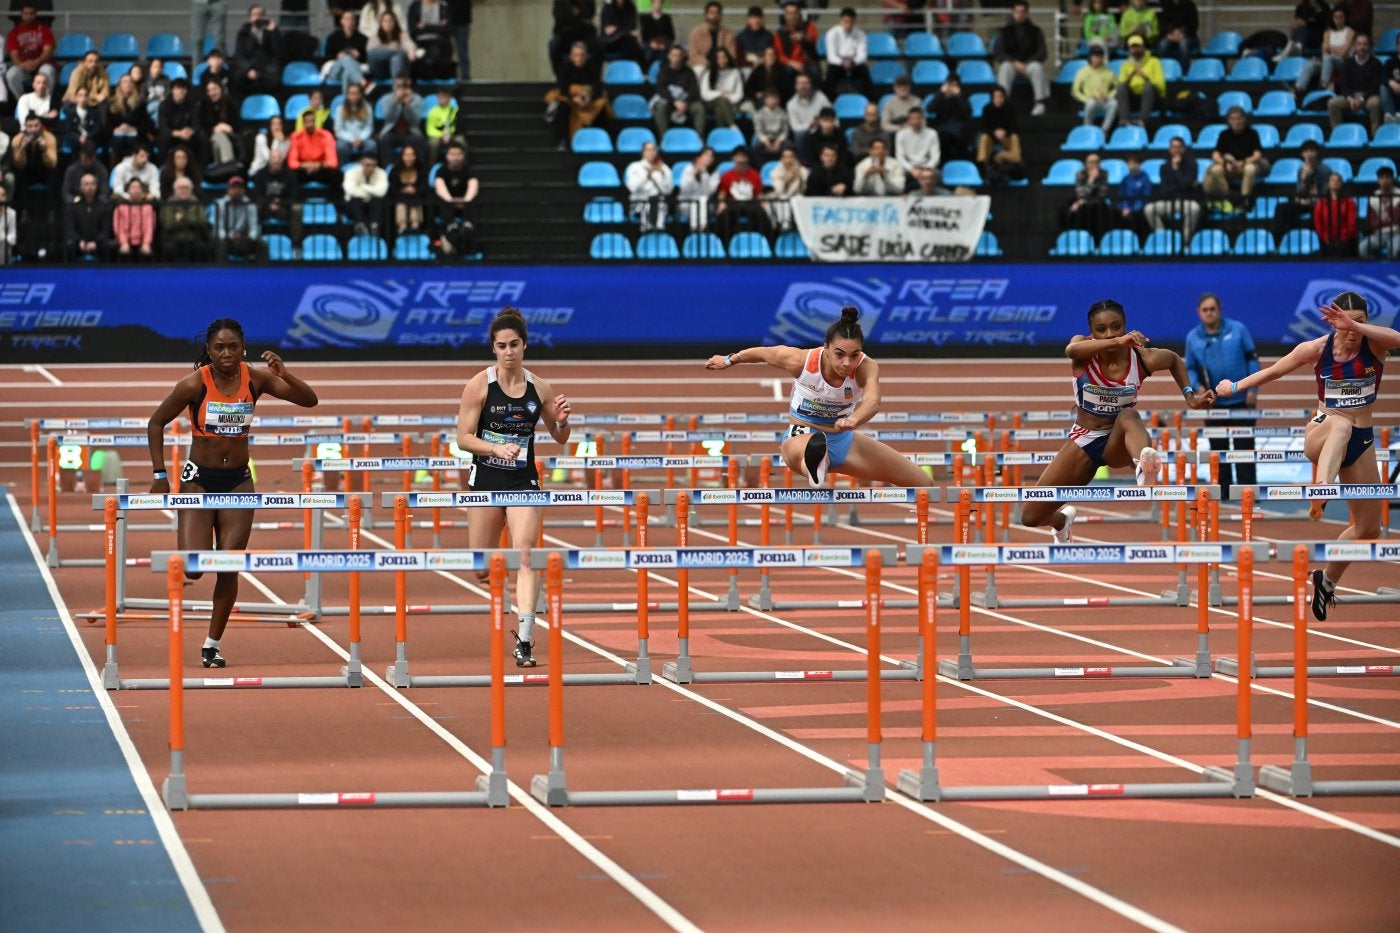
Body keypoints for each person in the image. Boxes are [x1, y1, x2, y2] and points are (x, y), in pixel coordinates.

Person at [1214, 293, 1399, 621]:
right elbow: (1274, 372)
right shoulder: (1316, 349)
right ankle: (1322, 487)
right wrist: (1235, 386)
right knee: (1340, 423)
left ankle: (1326, 580)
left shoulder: (1376, 345)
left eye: (1360, 321)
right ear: (1332, 321)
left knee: (1369, 529)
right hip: (1321, 432)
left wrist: (1355, 325)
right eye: (1345, 321)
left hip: (1362, 440)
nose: (1352, 330)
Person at [147, 318, 318, 668]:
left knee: (229, 565)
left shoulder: (255, 378)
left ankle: (212, 644)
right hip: (198, 480)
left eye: (233, 347)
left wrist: (284, 373)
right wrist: (159, 473)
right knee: (194, 568)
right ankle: (194, 538)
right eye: (219, 348)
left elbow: (310, 401)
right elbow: (155, 423)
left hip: (239, 480)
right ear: (208, 351)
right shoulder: (194, 383)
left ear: (243, 348)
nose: (227, 354)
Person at [1022, 299, 1214, 544]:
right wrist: (1117, 341)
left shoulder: (1142, 358)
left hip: (1119, 440)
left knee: (1129, 415)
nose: (1110, 333)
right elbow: (1071, 351)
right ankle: (1062, 521)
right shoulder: (1082, 349)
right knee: (1030, 516)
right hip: (1085, 438)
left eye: (1116, 327)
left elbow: (1174, 359)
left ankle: (1145, 466)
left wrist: (1190, 396)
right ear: (1091, 332)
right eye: (1101, 330)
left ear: (1126, 325)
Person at [454, 307, 572, 668]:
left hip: (523, 482)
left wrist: (564, 423)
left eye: (515, 345)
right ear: (493, 348)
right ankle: (504, 593)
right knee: (482, 567)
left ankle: (524, 638)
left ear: (524, 346)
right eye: (502, 346)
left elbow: (560, 438)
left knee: (525, 554)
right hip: (486, 481)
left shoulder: (540, 388)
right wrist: (494, 447)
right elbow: (462, 439)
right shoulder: (479, 385)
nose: (509, 352)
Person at [705, 306, 934, 490]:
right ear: (826, 348)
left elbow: (873, 400)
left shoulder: (866, 367)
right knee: (809, 452)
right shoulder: (801, 361)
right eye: (839, 354)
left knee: (924, 484)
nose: (847, 363)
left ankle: (819, 462)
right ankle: (814, 466)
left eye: (854, 355)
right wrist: (728, 360)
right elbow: (763, 353)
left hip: (843, 438)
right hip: (802, 434)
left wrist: (855, 420)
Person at [1184, 293, 1259, 500]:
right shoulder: (1193, 338)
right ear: (1199, 313)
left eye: (1212, 309)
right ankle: (1224, 492)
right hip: (1213, 403)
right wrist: (1197, 387)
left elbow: (1252, 359)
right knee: (1219, 450)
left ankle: (1249, 492)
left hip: (1242, 401)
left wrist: (1253, 390)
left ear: (1220, 310)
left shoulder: (1238, 329)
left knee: (1245, 449)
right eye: (1205, 310)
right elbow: (1189, 367)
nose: (1209, 313)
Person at [1202, 106, 1269, 210]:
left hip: (1247, 164)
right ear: (1228, 121)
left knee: (1250, 169)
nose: (1236, 122)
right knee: (1216, 170)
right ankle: (1229, 198)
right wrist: (1225, 164)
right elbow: (1215, 154)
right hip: (1231, 166)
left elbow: (1257, 155)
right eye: (1232, 119)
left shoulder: (1252, 133)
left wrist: (1243, 162)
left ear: (1244, 119)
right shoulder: (1224, 134)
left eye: (1238, 118)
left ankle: (1244, 200)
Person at [992, 1, 1050, 117]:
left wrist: (1028, 63)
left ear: (1027, 14)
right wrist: (1014, 62)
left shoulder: (1036, 31)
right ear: (1012, 13)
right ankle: (1003, 104)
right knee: (1005, 67)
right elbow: (999, 52)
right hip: (1012, 66)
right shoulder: (1004, 31)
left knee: (1037, 67)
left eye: (1023, 12)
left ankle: (1039, 103)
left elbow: (1043, 53)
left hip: (1029, 66)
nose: (1020, 15)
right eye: (1017, 12)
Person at [1143, 135, 1202, 243]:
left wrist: (1176, 168)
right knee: (1149, 209)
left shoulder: (1192, 165)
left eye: (1178, 147)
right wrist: (1181, 185)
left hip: (1186, 202)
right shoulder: (1164, 167)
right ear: (1169, 149)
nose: (1176, 150)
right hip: (1169, 202)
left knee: (1195, 209)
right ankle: (1163, 239)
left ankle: (1185, 242)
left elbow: (1185, 185)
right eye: (1173, 147)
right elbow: (1165, 189)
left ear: (1183, 149)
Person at [1326, 31, 1384, 134]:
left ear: (1369, 46)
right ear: (1355, 46)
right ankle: (1338, 134)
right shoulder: (1347, 64)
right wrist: (1351, 99)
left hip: (1369, 96)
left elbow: (1375, 87)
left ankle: (1376, 136)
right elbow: (1344, 85)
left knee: (1375, 103)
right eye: (1359, 44)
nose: (1362, 47)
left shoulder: (1376, 64)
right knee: (1332, 103)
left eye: (1365, 44)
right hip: (1351, 96)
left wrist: (1361, 99)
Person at [1272, 138, 1331, 238]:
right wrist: (1303, 179)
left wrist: (1311, 201)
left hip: (1319, 202)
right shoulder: (1301, 170)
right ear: (1302, 154)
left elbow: (1325, 192)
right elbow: (1300, 192)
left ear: (1317, 153)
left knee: (1317, 209)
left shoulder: (1324, 170)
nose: (1309, 154)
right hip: (1304, 202)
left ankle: (1315, 241)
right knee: (1282, 208)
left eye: (1312, 151)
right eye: (1306, 151)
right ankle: (1281, 240)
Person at [714, 145, 771, 242]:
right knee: (722, 216)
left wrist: (763, 204)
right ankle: (724, 243)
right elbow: (722, 193)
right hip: (732, 203)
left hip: (750, 203)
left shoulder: (755, 175)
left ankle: (761, 241)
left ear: (747, 159)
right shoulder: (726, 175)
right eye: (738, 156)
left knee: (762, 215)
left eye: (743, 156)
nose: (740, 160)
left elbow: (759, 194)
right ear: (733, 158)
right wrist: (721, 204)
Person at [1296, 7, 1354, 100]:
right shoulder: (1328, 32)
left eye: (1341, 17)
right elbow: (1324, 51)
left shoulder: (1350, 31)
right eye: (1336, 17)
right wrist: (1337, 49)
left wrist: (1331, 49)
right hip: (1328, 62)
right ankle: (1298, 88)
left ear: (1345, 18)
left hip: (1343, 63)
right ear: (1332, 18)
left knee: (1329, 58)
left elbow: (1343, 53)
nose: (1338, 20)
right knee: (1311, 64)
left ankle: (1324, 84)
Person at [4, 2, 56, 100]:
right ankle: (22, 101)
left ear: (35, 14)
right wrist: (22, 65)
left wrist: (36, 62)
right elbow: (13, 54)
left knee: (48, 70)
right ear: (21, 14)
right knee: (11, 74)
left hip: (42, 64)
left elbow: (48, 50)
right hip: (24, 67)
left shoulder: (44, 29)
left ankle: (46, 102)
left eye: (31, 13)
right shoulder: (14, 32)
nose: (28, 16)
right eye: (26, 13)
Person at [975, 85, 1024, 185]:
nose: (998, 100)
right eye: (995, 97)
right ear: (992, 98)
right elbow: (983, 127)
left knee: (1014, 137)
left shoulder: (1011, 108)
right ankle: (982, 164)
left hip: (1006, 137)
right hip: (992, 138)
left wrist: (1004, 132)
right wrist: (994, 132)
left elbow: (1015, 126)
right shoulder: (987, 109)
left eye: (1000, 97)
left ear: (1004, 97)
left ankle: (1005, 156)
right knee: (983, 137)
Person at [1115, 34, 1164, 129]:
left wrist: (1146, 77)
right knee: (1121, 86)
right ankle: (1124, 120)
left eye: (1138, 46)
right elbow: (1121, 85)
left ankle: (1143, 121)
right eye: (1133, 47)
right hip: (1134, 100)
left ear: (1143, 47)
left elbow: (1161, 85)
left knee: (1148, 86)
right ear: (1129, 49)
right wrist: (1128, 78)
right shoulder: (1125, 65)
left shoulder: (1154, 62)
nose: (1136, 49)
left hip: (1153, 99)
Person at [822, 6, 872, 100]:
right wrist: (842, 62)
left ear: (854, 21)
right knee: (830, 74)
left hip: (854, 62)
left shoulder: (860, 34)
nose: (848, 25)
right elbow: (831, 56)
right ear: (840, 20)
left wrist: (853, 62)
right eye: (845, 21)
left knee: (864, 72)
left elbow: (862, 55)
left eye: (851, 22)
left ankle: (868, 100)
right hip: (838, 63)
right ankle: (830, 101)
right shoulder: (832, 33)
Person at [232, 3, 283, 94]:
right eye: (254, 15)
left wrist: (273, 32)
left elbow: (277, 51)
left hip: (267, 67)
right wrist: (248, 69)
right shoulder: (243, 32)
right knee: (237, 77)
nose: (257, 17)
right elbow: (239, 55)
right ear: (250, 17)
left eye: (260, 15)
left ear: (264, 17)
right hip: (249, 65)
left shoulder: (272, 30)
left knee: (274, 79)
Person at [160, 176, 213, 260]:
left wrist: (181, 219)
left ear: (191, 190)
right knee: (168, 248)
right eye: (181, 188)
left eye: (186, 188)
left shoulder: (197, 204)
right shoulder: (168, 204)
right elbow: (168, 224)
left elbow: (202, 222)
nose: (184, 190)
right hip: (174, 239)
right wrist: (191, 221)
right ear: (175, 190)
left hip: (193, 238)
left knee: (202, 248)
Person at [624, 139, 674, 231]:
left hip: (658, 202)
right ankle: (647, 229)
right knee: (647, 204)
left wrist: (662, 175)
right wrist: (647, 173)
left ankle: (658, 230)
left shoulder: (663, 168)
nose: (651, 152)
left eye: (653, 150)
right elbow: (632, 188)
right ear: (643, 152)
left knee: (658, 202)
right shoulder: (634, 167)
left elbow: (668, 191)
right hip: (640, 201)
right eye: (648, 150)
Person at [64, 171, 111, 261]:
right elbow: (70, 229)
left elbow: (105, 229)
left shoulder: (103, 206)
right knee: (69, 244)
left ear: (96, 186)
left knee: (109, 245)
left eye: (92, 184)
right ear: (81, 187)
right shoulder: (73, 206)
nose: (90, 187)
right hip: (79, 243)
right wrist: (80, 241)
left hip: (98, 244)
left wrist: (95, 242)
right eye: (86, 184)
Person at [926, 74, 973, 163]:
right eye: (949, 85)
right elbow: (930, 109)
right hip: (942, 127)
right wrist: (940, 93)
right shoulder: (940, 97)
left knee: (964, 134)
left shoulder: (962, 97)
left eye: (954, 85)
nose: (951, 88)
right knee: (940, 135)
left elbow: (967, 112)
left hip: (959, 128)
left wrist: (958, 96)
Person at [322, 9, 371, 94]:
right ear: (342, 21)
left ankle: (346, 101)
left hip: (355, 68)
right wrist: (337, 56)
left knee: (347, 73)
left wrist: (358, 55)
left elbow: (367, 59)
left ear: (355, 21)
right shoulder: (332, 37)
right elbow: (326, 57)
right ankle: (363, 83)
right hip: (336, 69)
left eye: (352, 19)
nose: (349, 22)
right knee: (346, 59)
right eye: (347, 19)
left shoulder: (363, 39)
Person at [214, 175, 261, 260]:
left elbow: (254, 225)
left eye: (240, 188)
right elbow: (219, 226)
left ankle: (262, 271)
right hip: (227, 239)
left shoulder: (250, 205)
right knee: (221, 243)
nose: (237, 190)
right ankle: (221, 270)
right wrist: (227, 236)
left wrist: (250, 237)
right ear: (228, 190)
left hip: (244, 238)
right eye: (234, 187)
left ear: (244, 190)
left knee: (261, 245)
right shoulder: (220, 205)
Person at [894, 106, 939, 194]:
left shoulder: (932, 133)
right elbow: (899, 156)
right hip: (908, 167)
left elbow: (935, 155)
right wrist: (911, 169)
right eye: (912, 118)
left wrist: (928, 168)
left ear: (922, 119)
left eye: (918, 118)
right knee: (897, 176)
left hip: (926, 166)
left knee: (935, 175)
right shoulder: (901, 134)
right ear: (908, 120)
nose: (915, 121)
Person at [1072, 45, 1117, 131]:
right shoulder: (1083, 72)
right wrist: (1086, 98)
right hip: (1090, 100)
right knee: (1090, 103)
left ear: (1102, 57)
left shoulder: (1108, 72)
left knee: (1114, 103)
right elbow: (1075, 90)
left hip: (1104, 100)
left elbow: (1117, 87)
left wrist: (1109, 96)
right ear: (1090, 57)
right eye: (1095, 55)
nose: (1097, 58)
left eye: (1099, 56)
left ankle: (1104, 130)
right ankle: (1087, 128)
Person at [344, 151, 390, 235]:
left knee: (378, 200)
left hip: (373, 204)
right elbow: (350, 189)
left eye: (373, 165)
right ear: (361, 163)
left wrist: (363, 186)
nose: (370, 168)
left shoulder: (381, 173)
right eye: (367, 165)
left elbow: (381, 192)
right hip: (355, 205)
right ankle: (361, 226)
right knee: (354, 200)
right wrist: (369, 193)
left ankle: (375, 227)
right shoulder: (351, 172)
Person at [1313, 172, 1358, 257]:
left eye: (1338, 180)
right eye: (1333, 180)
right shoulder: (1321, 203)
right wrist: (1325, 236)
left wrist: (1343, 238)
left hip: (1345, 240)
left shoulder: (1349, 202)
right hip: (1326, 240)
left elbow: (1351, 223)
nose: (1335, 182)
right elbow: (1318, 223)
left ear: (1341, 184)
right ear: (1328, 184)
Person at [1359, 165, 1399, 259]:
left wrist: (1382, 221)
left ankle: (1392, 272)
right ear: (1378, 180)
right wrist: (1389, 221)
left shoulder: (1399, 194)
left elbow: (1397, 219)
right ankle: (1375, 270)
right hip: (1380, 233)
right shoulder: (1373, 198)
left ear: (1392, 179)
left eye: (1387, 177)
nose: (1384, 181)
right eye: (1381, 178)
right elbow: (1372, 223)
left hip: (1398, 233)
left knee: (1393, 248)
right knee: (1363, 247)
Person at [676, 144, 720, 230]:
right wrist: (694, 174)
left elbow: (709, 192)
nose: (709, 158)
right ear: (699, 157)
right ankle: (695, 228)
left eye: (712, 156)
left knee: (702, 199)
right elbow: (684, 190)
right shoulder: (689, 168)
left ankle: (700, 228)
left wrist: (704, 174)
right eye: (706, 155)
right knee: (695, 201)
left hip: (706, 206)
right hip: (687, 204)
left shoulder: (715, 173)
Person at [112, 178, 156, 259]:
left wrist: (146, 243)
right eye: (133, 187)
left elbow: (149, 227)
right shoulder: (120, 207)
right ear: (128, 190)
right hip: (125, 242)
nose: (136, 190)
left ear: (142, 190)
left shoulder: (148, 207)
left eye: (138, 187)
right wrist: (123, 242)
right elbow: (118, 228)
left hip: (142, 242)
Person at [335, 82, 378, 166]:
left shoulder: (367, 108)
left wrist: (360, 138)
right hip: (346, 138)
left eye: (356, 93)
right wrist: (352, 139)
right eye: (351, 93)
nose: (353, 96)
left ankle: (367, 167)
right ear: (347, 95)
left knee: (372, 145)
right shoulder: (340, 109)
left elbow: (369, 127)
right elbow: (339, 130)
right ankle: (344, 168)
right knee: (341, 146)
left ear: (360, 95)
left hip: (362, 138)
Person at [389, 144, 427, 234]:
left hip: (416, 197)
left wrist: (415, 190)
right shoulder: (394, 170)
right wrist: (404, 190)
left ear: (416, 156)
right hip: (399, 198)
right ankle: (402, 227)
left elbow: (424, 187)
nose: (409, 158)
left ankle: (415, 226)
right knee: (400, 204)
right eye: (406, 155)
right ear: (401, 156)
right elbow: (393, 188)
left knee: (416, 202)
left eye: (412, 155)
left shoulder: (422, 170)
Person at [688, 1, 737, 70]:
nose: (715, 16)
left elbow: (732, 54)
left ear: (721, 15)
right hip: (703, 65)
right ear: (706, 15)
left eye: (717, 13)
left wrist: (721, 62)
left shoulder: (728, 33)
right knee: (698, 69)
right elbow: (693, 55)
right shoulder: (696, 32)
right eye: (712, 13)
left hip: (723, 65)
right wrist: (708, 63)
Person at [1155, 0, 1199, 72]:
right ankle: (1160, 71)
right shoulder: (1166, 5)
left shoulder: (1190, 5)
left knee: (1183, 44)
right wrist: (1169, 33)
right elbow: (1162, 24)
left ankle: (1184, 72)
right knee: (1162, 45)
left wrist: (1183, 33)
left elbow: (1194, 26)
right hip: (1169, 35)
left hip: (1188, 36)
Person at [751, 86, 791, 165]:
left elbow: (785, 130)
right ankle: (760, 169)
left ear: (778, 100)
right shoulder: (759, 113)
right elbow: (758, 131)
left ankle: (784, 166)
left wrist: (779, 140)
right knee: (757, 147)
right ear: (765, 100)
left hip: (778, 138)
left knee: (789, 146)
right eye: (770, 98)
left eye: (775, 98)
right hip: (765, 138)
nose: (772, 101)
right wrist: (766, 141)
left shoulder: (783, 113)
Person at [735, 4, 772, 68]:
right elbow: (739, 57)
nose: (756, 21)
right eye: (753, 18)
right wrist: (750, 65)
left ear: (762, 19)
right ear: (748, 20)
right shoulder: (741, 37)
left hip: (765, 68)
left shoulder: (769, 37)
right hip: (746, 68)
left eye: (759, 18)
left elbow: (772, 55)